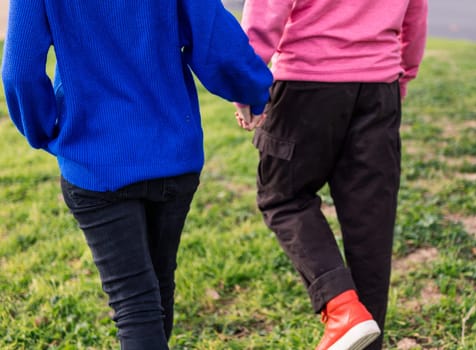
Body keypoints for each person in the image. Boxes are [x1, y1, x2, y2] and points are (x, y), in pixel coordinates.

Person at [2, 0, 272, 349]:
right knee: (157, 290)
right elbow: (213, 37)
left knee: (136, 306)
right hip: (173, 152)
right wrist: (251, 91)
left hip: (94, 161)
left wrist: (44, 131)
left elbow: (19, 71)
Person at [234, 0, 428, 349]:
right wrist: (403, 75)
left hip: (306, 85)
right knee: (371, 226)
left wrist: (248, 83)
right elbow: (415, 14)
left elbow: (268, 9)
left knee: (283, 198)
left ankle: (342, 309)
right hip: (378, 87)